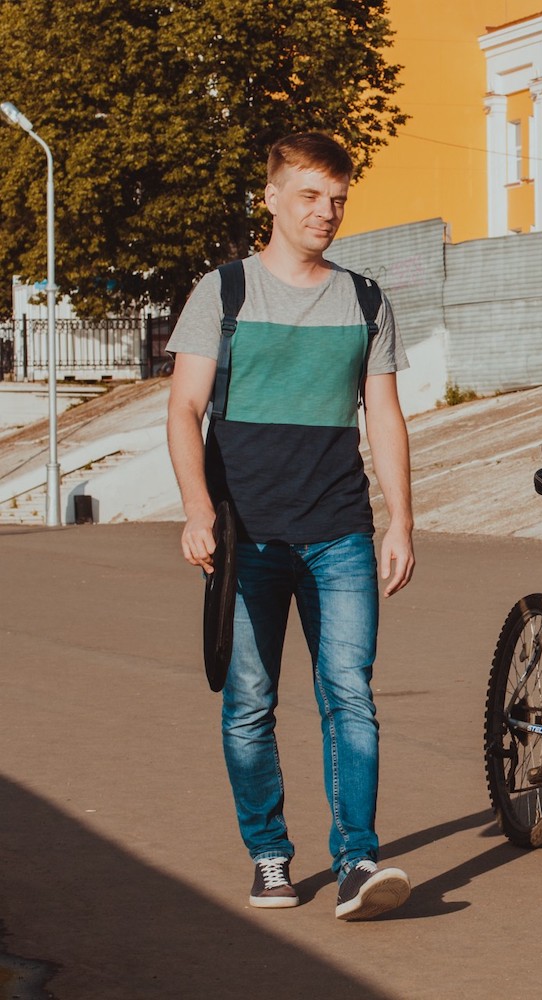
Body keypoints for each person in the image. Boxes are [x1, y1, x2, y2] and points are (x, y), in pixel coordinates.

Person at [166, 132, 416, 917]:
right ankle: (270, 854)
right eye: (309, 195)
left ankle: (356, 860)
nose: (326, 212)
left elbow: (383, 412)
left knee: (350, 693)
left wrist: (401, 520)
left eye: (337, 198)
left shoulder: (367, 299)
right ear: (271, 197)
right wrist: (199, 511)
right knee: (249, 701)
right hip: (246, 537)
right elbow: (182, 407)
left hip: (339, 528)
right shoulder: (225, 293)